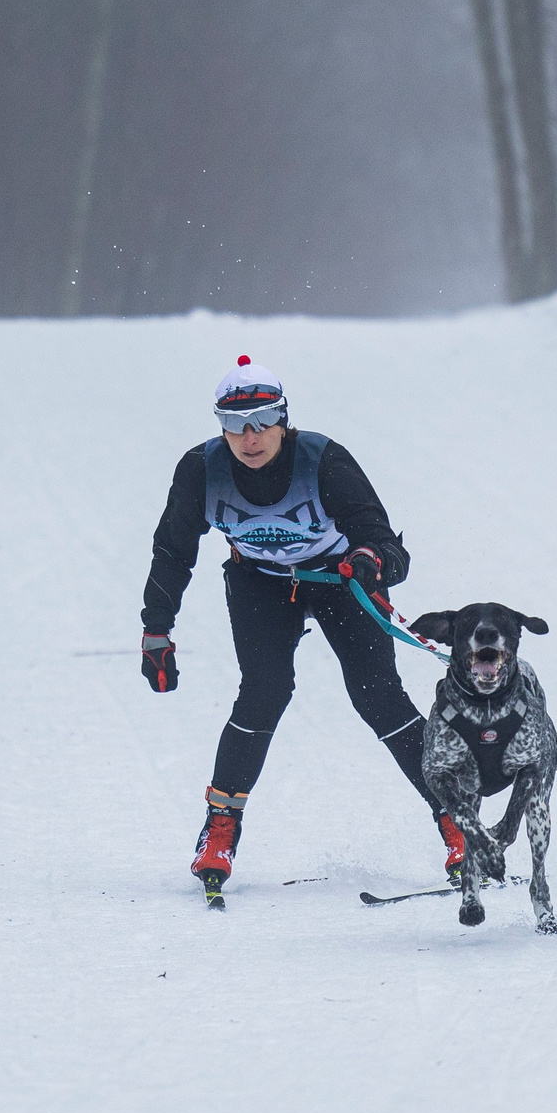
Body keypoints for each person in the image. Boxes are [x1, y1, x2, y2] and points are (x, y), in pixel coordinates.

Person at [139, 357, 462, 899]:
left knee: (377, 696)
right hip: (259, 582)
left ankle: (456, 820)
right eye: (234, 423)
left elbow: (388, 546)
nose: (250, 436)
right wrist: (157, 630)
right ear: (219, 426)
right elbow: (173, 551)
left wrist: (368, 561)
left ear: (285, 419)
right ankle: (221, 827)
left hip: (338, 578)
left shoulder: (323, 460)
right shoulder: (201, 468)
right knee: (264, 691)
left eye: (263, 419)